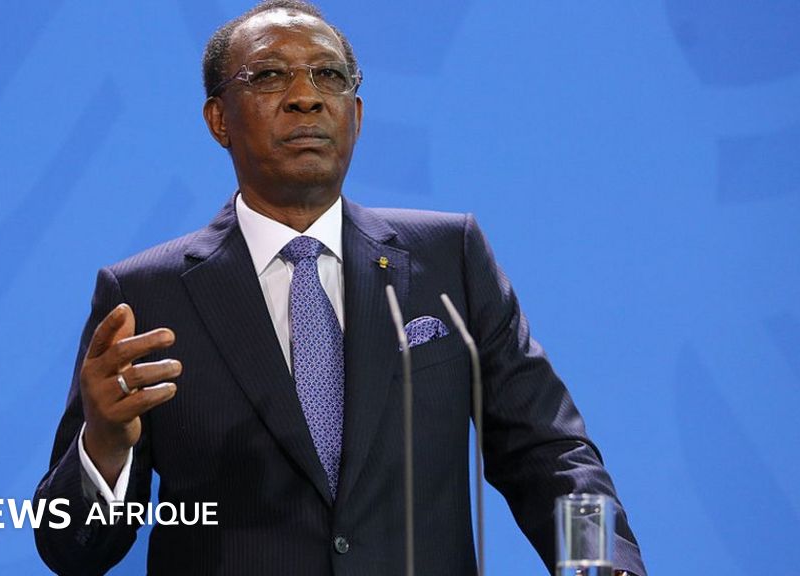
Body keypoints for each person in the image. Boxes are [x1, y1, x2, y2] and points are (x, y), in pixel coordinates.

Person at [34, 1, 647, 574]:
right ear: (219, 120)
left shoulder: (449, 258)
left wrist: (598, 564)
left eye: (329, 76)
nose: (306, 97)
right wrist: (103, 447)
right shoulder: (145, 294)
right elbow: (69, 549)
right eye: (269, 76)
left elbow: (549, 453)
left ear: (355, 115)